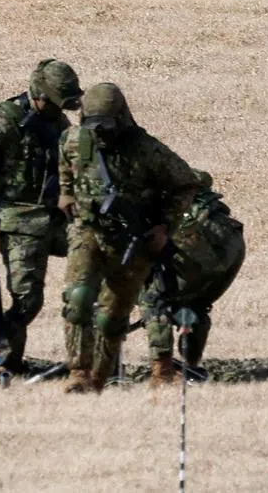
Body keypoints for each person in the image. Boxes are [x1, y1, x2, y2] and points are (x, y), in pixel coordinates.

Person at [58, 82, 201, 394]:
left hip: (132, 242)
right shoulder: (73, 140)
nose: (101, 135)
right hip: (88, 232)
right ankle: (78, 373)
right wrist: (66, 192)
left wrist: (165, 226)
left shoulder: (147, 150)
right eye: (94, 127)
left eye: (106, 127)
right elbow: (66, 166)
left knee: (112, 318)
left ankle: (96, 380)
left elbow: (187, 183)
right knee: (78, 298)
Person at [0, 59, 82, 373]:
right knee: (27, 301)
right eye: (55, 103)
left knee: (99, 258)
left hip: (55, 217)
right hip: (20, 223)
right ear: (39, 96)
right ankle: (7, 363)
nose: (60, 110)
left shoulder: (56, 122)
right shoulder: (5, 122)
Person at [139, 170, 246, 386]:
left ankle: (163, 373)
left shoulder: (148, 192)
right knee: (196, 303)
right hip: (232, 240)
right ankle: (192, 368)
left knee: (155, 301)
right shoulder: (191, 191)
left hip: (199, 239)